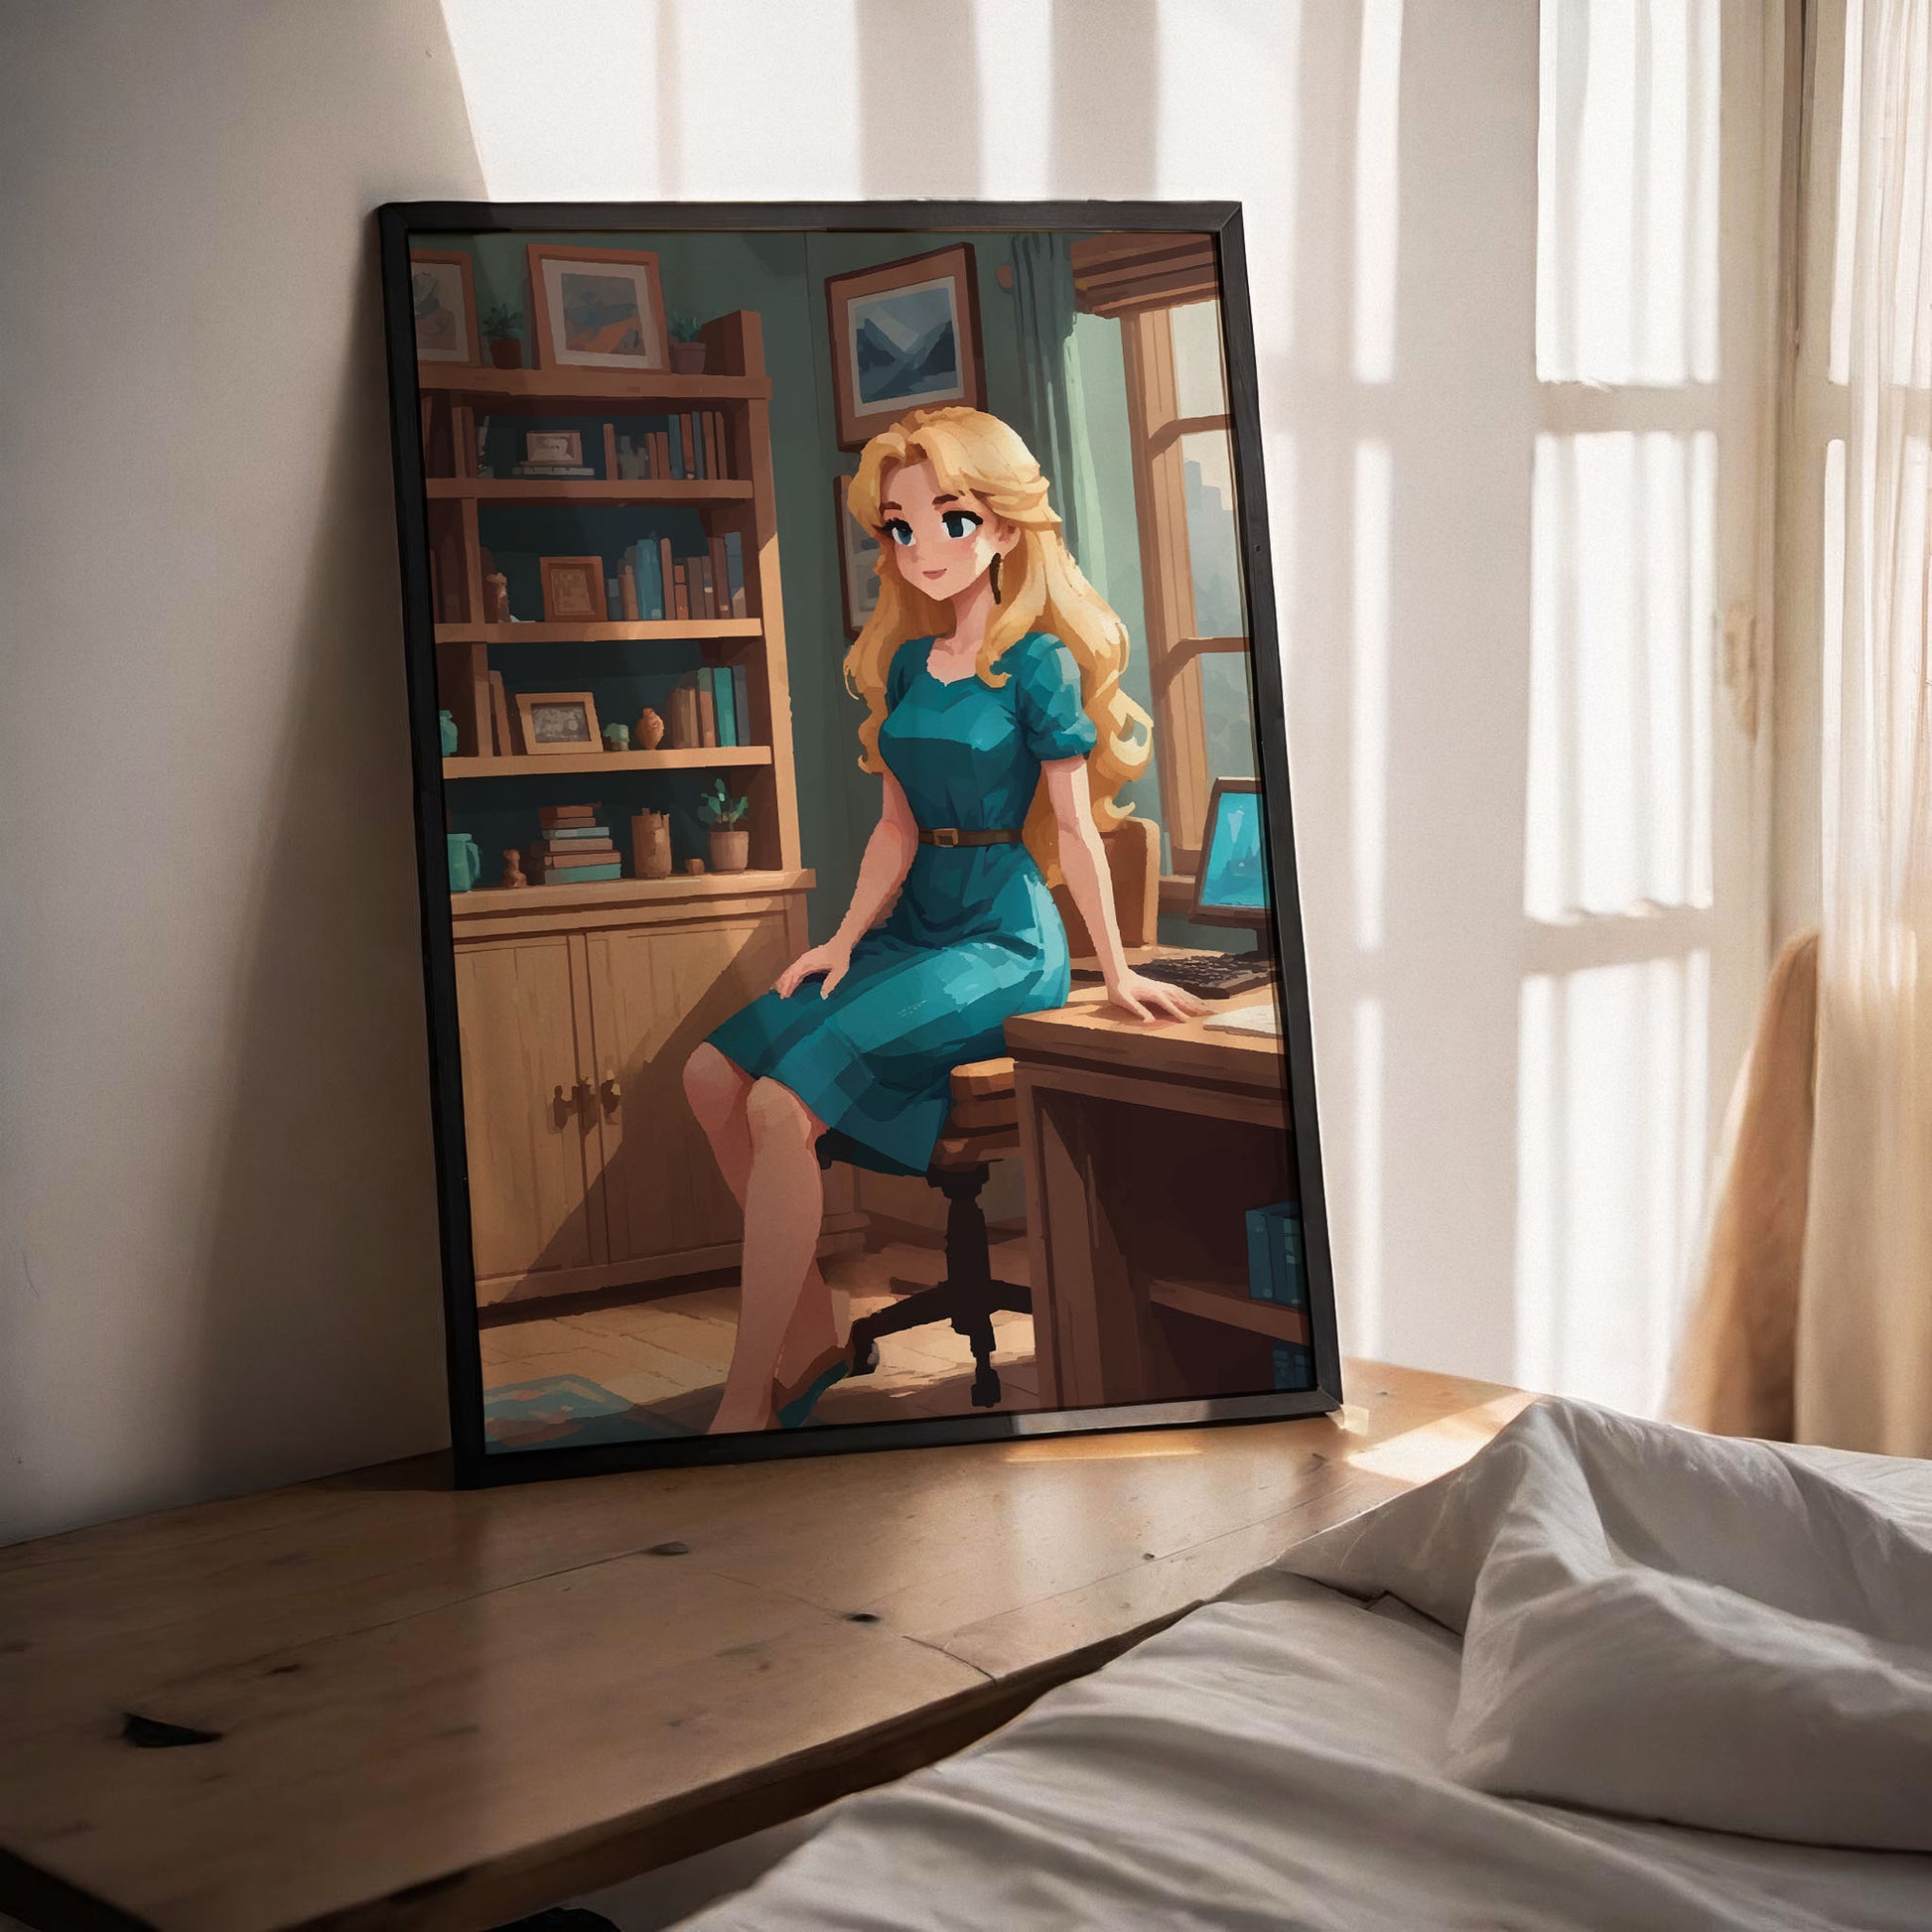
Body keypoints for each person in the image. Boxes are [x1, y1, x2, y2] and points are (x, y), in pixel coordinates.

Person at [683, 405, 1204, 1435]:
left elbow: (1074, 827)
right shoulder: (909, 667)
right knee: (713, 1075)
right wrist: (837, 938)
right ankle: (810, 1330)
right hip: (911, 924)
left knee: (780, 1109)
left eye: (949, 519)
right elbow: (892, 829)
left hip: (1001, 938)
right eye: (898, 526)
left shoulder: (1040, 665)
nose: (922, 546)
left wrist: (1113, 966)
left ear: (1005, 527)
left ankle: (747, 1398)